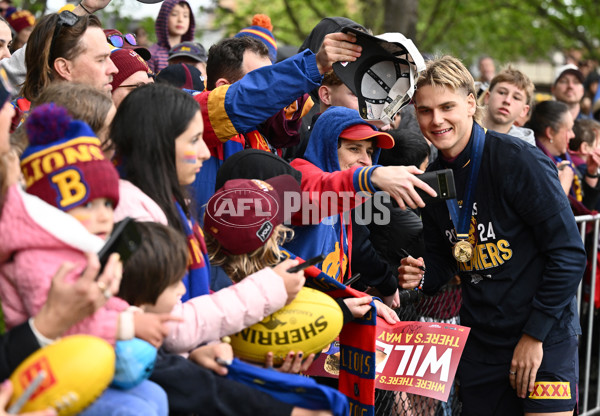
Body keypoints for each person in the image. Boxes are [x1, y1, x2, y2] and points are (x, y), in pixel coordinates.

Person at [399, 55, 585, 416]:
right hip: (482, 346)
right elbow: (445, 259)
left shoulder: (518, 160)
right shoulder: (434, 179)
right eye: (425, 110)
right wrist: (422, 275)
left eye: (447, 106)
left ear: (471, 103)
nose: (436, 120)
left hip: (544, 337)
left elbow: (568, 253)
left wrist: (535, 336)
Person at [191, 31, 361, 217]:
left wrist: (363, 180)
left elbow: (296, 198)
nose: (274, 92)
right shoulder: (193, 114)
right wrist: (314, 65)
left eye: (272, 73)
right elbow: (242, 99)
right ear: (224, 87)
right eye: (260, 79)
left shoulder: (267, 133)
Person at [285, 106, 436, 307]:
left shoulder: (350, 198)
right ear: (327, 146)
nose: (366, 161)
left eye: (370, 152)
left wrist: (361, 299)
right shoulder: (299, 174)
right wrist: (371, 176)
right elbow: (317, 192)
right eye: (354, 148)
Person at [22, 11, 117, 104]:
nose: (114, 69)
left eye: (109, 57)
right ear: (64, 68)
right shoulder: (15, 117)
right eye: (101, 60)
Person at [526, 100, 600, 213]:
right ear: (550, 132)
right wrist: (563, 188)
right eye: (569, 129)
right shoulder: (532, 163)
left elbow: (585, 206)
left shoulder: (564, 160)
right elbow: (544, 215)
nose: (573, 135)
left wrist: (591, 173)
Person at [481, 65, 536, 146]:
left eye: (516, 98)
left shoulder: (526, 147)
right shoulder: (464, 128)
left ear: (524, 110)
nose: (507, 101)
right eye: (502, 92)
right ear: (487, 97)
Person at [147, 0, 195, 74]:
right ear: (164, 18)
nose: (180, 20)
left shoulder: (193, 53)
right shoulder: (152, 55)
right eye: (174, 14)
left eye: (185, 16)